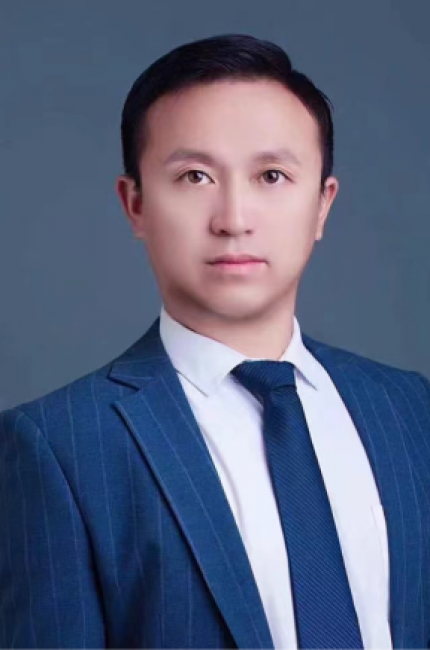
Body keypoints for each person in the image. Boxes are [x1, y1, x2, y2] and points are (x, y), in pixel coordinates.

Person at [1, 33, 429, 650]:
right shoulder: (59, 448)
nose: (233, 218)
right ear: (135, 204)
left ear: (322, 205)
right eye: (195, 176)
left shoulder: (409, 409)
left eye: (272, 175)